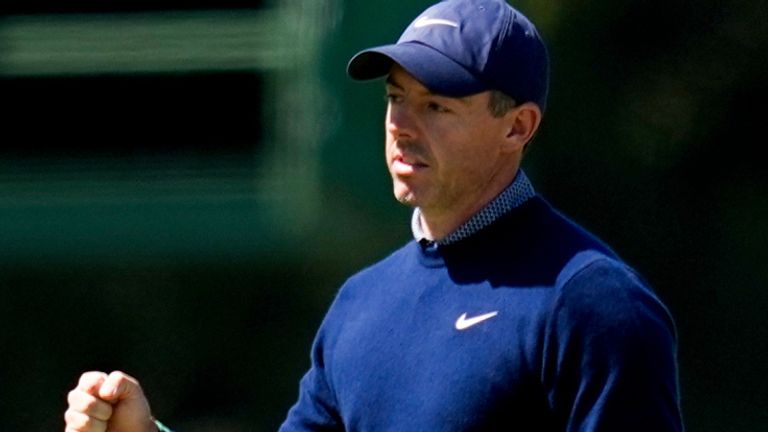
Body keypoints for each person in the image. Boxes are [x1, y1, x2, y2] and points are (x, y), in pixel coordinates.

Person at [64, 0, 684, 431]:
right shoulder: (362, 303)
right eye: (395, 98)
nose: (400, 127)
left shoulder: (590, 302)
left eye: (436, 106)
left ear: (517, 126)